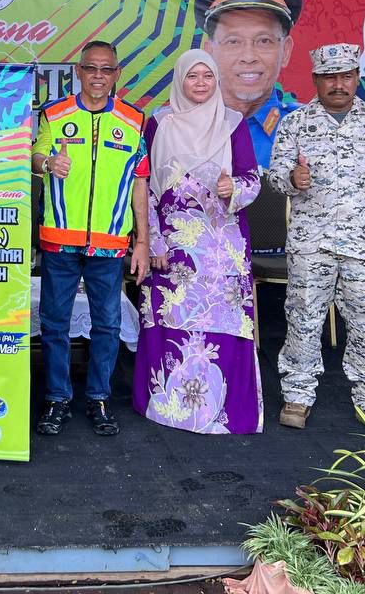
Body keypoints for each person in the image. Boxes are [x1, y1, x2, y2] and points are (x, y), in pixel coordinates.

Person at [268, 43, 365, 435]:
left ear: (356, 78)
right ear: (315, 79)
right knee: (302, 319)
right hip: (310, 244)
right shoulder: (295, 124)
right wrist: (292, 178)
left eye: (346, 76)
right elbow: (276, 175)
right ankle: (297, 395)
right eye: (329, 77)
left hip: (362, 247)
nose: (338, 84)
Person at [132, 48, 262, 434]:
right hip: (171, 248)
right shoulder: (159, 123)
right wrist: (153, 241)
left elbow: (252, 179)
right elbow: (144, 187)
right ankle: (168, 407)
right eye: (193, 76)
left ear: (217, 80)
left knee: (222, 326)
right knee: (169, 321)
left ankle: (219, 413)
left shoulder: (232, 122)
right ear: (180, 79)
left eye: (208, 76)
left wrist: (232, 187)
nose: (201, 83)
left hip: (221, 249)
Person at [31, 40, 150, 437]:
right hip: (59, 241)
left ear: (117, 74)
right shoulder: (54, 113)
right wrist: (49, 162)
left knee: (107, 325)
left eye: (106, 69)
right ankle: (57, 398)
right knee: (54, 324)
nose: (98, 76)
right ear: (78, 72)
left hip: (110, 243)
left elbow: (140, 182)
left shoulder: (134, 120)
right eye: (91, 68)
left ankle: (99, 398)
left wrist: (143, 242)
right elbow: (34, 156)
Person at [195, 0, 305, 168]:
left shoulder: (310, 127)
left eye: (264, 41)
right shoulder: (177, 126)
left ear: (285, 51)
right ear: (210, 53)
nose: (248, 56)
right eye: (233, 41)